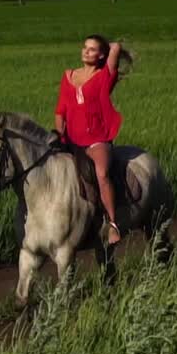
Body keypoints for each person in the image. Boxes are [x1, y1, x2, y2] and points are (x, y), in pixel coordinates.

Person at [54, 34, 127, 245]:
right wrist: (60, 134)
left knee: (102, 173)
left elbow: (116, 47)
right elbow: (60, 110)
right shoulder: (68, 76)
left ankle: (112, 223)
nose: (86, 51)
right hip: (71, 139)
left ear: (101, 54)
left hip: (97, 139)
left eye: (92, 49)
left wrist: (106, 48)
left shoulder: (105, 76)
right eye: (85, 47)